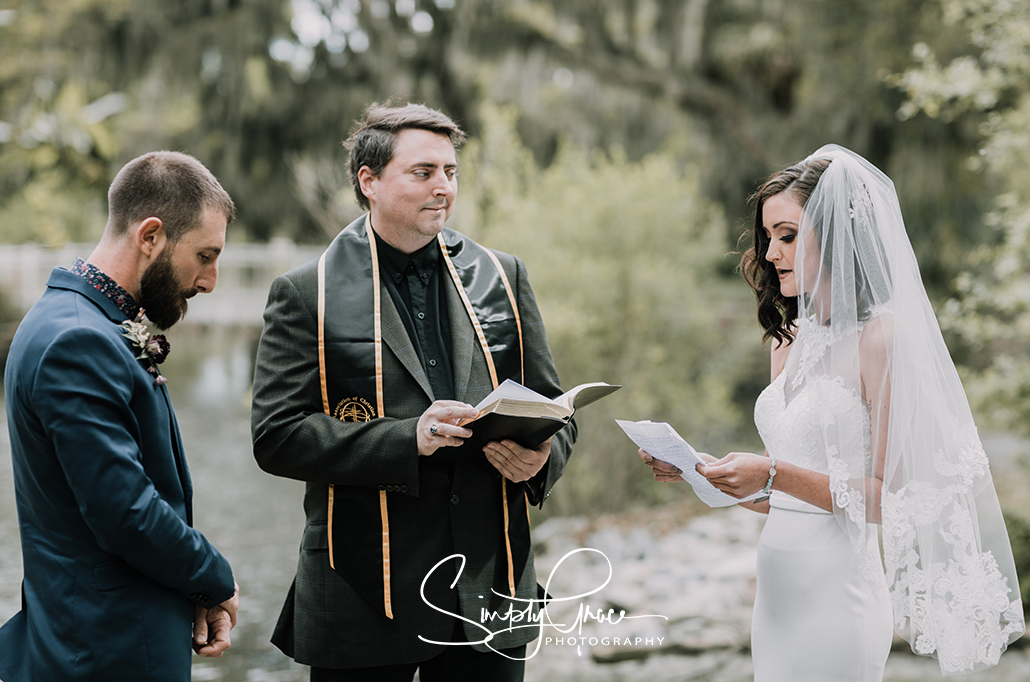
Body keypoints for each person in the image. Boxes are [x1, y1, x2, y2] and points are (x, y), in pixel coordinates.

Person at [643, 145, 1025, 680]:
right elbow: (790, 499)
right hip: (775, 593)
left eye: (788, 235)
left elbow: (890, 501)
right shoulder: (787, 340)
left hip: (838, 597)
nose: (771, 252)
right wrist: (703, 472)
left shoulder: (881, 339)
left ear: (838, 237)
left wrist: (772, 471)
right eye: (769, 237)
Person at [251, 101, 575, 681]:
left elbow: (556, 408)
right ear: (369, 181)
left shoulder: (503, 276)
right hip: (364, 590)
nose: (444, 187)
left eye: (450, 172)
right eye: (424, 172)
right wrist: (409, 438)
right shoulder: (306, 292)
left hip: (490, 589)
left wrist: (543, 455)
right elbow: (276, 437)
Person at [0, 151, 240, 681]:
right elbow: (125, 511)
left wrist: (186, 586)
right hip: (106, 649)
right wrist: (213, 579)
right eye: (204, 255)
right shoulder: (79, 340)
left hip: (98, 635)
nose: (210, 281)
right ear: (150, 235)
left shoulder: (74, 321)